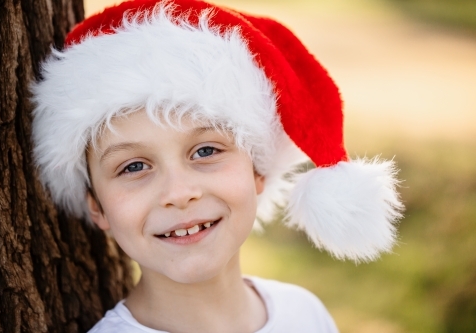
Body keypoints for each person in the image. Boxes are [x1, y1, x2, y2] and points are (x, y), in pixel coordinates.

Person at [30, 0, 404, 332]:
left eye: (205, 151)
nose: (178, 194)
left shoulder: (306, 315)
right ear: (97, 206)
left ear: (258, 170)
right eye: (133, 167)